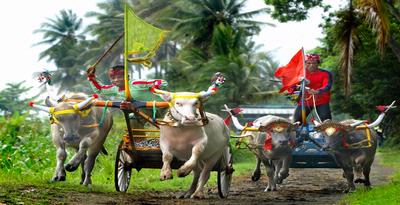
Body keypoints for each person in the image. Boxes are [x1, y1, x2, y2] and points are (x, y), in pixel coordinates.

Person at [292, 53, 333, 124]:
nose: (311, 65)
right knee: (296, 123)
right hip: (305, 101)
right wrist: (299, 85)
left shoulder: (325, 73)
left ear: (318, 63)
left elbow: (327, 86)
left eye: (314, 63)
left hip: (321, 101)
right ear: (305, 63)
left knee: (327, 123)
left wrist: (317, 91)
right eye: (308, 63)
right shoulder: (300, 74)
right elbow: (293, 87)